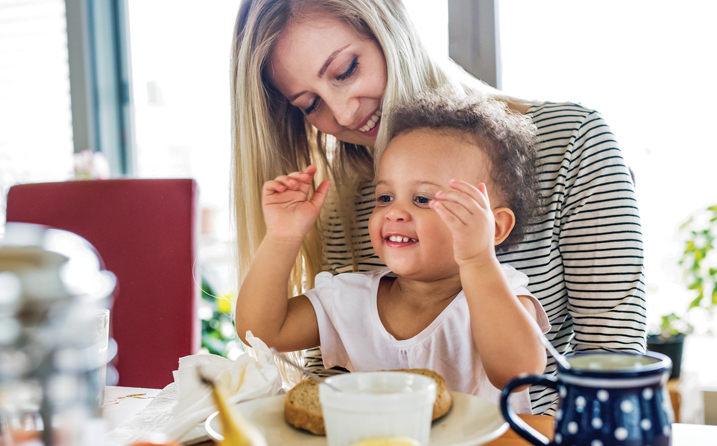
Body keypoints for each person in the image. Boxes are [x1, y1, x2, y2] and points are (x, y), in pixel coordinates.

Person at [230, 0, 646, 414]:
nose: (342, 113)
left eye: (345, 70)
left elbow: (611, 363)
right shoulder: (344, 197)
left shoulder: (573, 141)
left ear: (390, 29)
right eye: (310, 104)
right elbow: (316, 369)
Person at [236, 92, 550, 412]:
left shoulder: (501, 298)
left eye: (423, 199)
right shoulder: (350, 299)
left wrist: (477, 260)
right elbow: (259, 332)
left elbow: (519, 374)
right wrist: (282, 237)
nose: (395, 213)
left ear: (494, 228)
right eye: (385, 197)